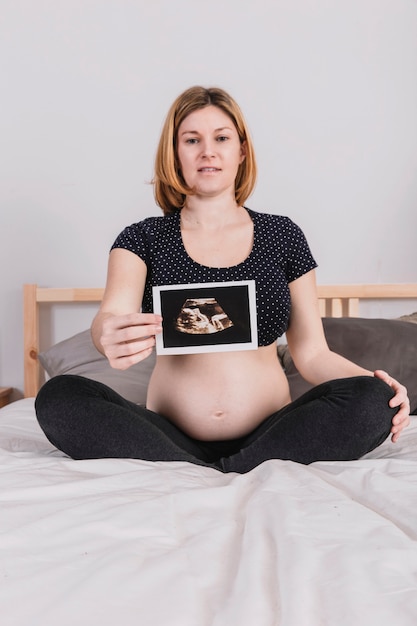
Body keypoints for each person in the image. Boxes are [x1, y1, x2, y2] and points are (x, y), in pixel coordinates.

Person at [35, 86, 410, 473]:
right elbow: (110, 315)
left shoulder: (282, 235)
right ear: (174, 153)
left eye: (222, 138)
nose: (207, 151)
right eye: (191, 139)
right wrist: (107, 333)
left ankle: (198, 471)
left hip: (272, 432)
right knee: (59, 396)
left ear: (241, 151)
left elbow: (313, 355)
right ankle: (215, 467)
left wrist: (381, 385)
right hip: (165, 433)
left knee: (372, 399)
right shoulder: (142, 238)